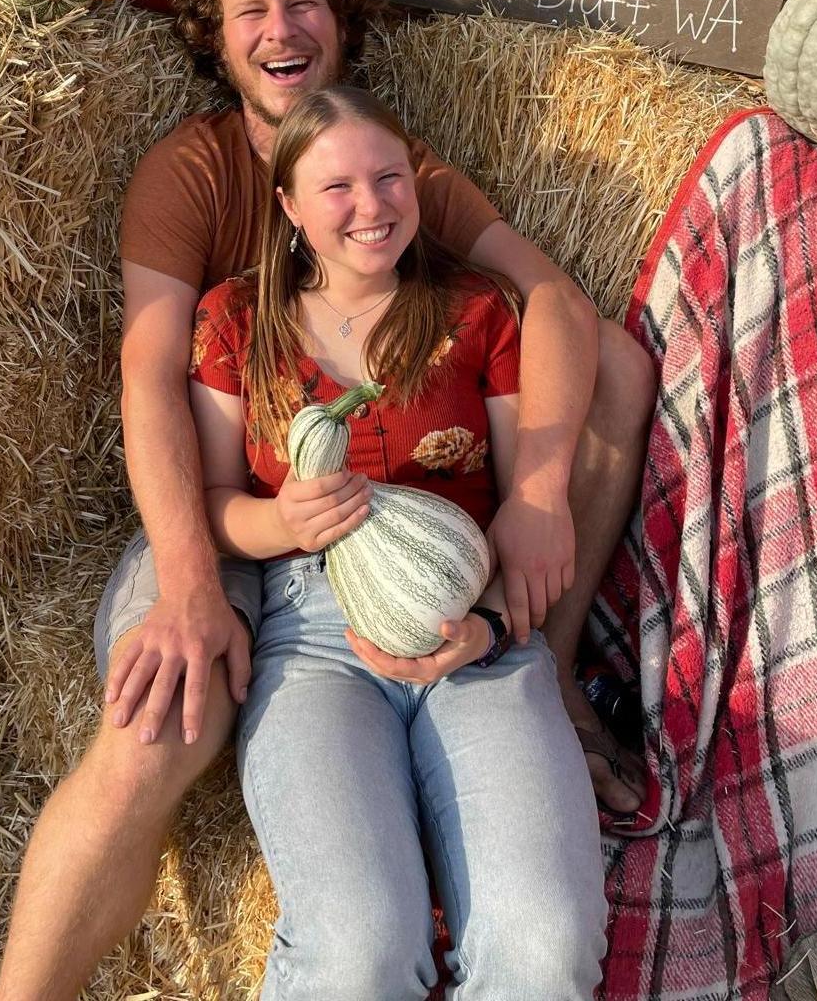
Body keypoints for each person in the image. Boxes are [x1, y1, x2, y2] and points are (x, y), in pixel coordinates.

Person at [0, 0, 653, 1001]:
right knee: (155, 727)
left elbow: (558, 312)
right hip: (230, 501)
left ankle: (551, 660)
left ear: (341, 21)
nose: (282, 28)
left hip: (414, 541)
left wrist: (535, 496)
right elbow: (151, 382)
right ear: (216, 36)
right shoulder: (193, 174)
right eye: (251, 9)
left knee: (616, 376)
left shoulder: (388, 164)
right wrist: (196, 581)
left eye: (304, 2)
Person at [187, 84, 609, 997]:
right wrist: (278, 520)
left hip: (475, 623)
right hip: (313, 635)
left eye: (389, 178)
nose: (372, 207)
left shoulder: (476, 314)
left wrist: (492, 627)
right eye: (336, 187)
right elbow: (214, 501)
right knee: (358, 952)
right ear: (290, 206)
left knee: (543, 945)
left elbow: (517, 510)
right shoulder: (235, 322)